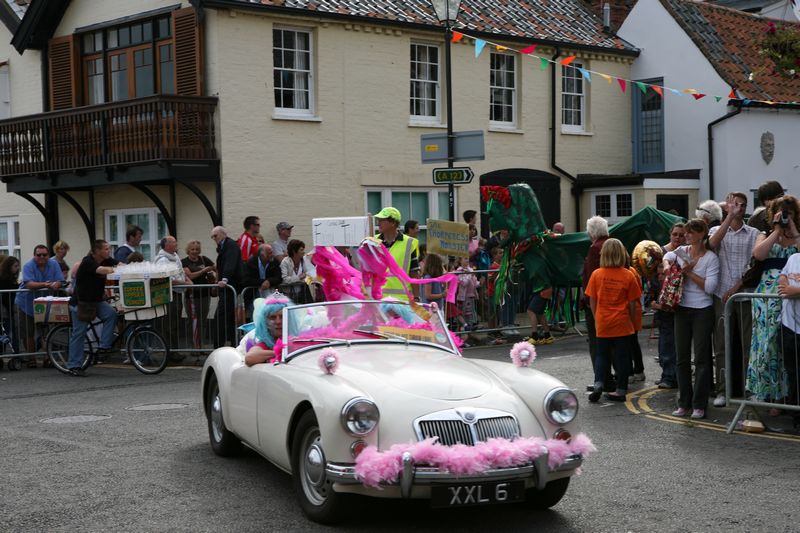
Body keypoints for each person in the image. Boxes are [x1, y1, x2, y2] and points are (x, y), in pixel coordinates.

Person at [664, 218, 719, 419]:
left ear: (702, 234)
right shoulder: (682, 252)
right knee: (682, 358)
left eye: (693, 232)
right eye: (687, 232)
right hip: (682, 309)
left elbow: (710, 287)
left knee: (702, 359)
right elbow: (668, 254)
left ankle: (699, 404)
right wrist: (667, 263)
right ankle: (684, 403)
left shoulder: (711, 258)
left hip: (703, 309)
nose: (688, 235)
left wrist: (689, 273)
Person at [707, 192, 759, 406]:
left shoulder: (754, 233)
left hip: (745, 294)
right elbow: (711, 246)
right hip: (722, 295)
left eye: (743, 204)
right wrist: (728, 217)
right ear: (727, 206)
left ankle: (749, 390)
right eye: (735, 204)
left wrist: (737, 287)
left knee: (748, 344)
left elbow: (754, 264)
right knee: (722, 344)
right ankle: (723, 390)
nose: (740, 207)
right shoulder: (716, 229)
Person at [747, 195, 800, 403]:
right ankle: (768, 392)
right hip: (768, 295)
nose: (786, 216)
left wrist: (793, 229)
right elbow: (759, 254)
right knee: (767, 343)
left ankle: (788, 394)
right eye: (783, 212)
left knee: (786, 346)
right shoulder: (765, 234)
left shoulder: (797, 235)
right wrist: (777, 230)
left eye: (790, 213)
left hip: (793, 294)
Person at [585, 238, 642, 403]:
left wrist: (597, 318)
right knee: (622, 357)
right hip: (622, 323)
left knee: (602, 356)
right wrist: (631, 321)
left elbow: (592, 300)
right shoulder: (628, 275)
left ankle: (598, 383)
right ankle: (621, 389)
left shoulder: (596, 274)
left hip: (603, 321)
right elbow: (632, 303)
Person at [67, 240, 118, 377]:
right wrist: (116, 270)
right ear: (97, 251)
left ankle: (104, 346)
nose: (109, 251)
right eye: (106, 249)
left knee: (111, 314)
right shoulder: (88, 262)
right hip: (81, 303)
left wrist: (133, 267)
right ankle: (74, 365)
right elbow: (101, 270)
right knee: (79, 333)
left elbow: (120, 263)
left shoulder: (106, 259)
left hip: (96, 301)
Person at [15, 245, 64, 366]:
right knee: (28, 333)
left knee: (46, 332)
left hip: (45, 302)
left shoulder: (54, 264)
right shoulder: (28, 265)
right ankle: (31, 359)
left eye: (44, 255)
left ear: (48, 255)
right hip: (26, 303)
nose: (42, 257)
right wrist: (46, 285)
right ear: (34, 255)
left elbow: (60, 281)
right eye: (39, 255)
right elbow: (29, 284)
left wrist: (57, 284)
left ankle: (48, 358)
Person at [582, 215, 613, 392]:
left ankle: (601, 379)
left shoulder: (595, 248)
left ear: (592, 232)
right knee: (614, 345)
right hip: (613, 302)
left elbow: (593, 278)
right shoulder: (614, 244)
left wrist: (588, 301)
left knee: (596, 344)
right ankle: (612, 377)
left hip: (598, 302)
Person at [375, 207, 420, 302]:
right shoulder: (373, 241)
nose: (378, 223)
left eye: (382, 220)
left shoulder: (409, 243)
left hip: (402, 302)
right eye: (378, 220)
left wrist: (416, 298)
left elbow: (414, 273)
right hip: (379, 301)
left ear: (393, 223)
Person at [777, 252, 800, 429]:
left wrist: (796, 291)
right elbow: (783, 275)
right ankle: (796, 417)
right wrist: (784, 284)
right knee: (793, 373)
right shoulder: (794, 257)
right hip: (789, 325)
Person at [211, 226, 244, 346]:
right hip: (229, 286)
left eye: (216, 235)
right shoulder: (224, 246)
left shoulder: (230, 245)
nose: (214, 238)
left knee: (222, 316)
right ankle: (232, 344)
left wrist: (224, 279)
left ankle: (220, 345)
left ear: (223, 234)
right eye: (212, 236)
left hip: (230, 286)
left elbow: (230, 263)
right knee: (227, 317)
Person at [182, 240, 216, 349]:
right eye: (192, 249)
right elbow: (190, 276)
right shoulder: (184, 261)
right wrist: (203, 271)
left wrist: (216, 279)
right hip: (191, 296)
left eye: (197, 249)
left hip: (205, 295)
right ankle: (193, 347)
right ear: (188, 250)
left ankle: (201, 345)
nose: (195, 251)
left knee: (203, 321)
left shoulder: (204, 259)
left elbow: (216, 267)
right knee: (193, 321)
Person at [244, 295, 293, 366]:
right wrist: (280, 352)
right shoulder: (265, 345)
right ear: (265, 323)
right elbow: (249, 358)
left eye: (282, 316)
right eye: (273, 317)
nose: (278, 321)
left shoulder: (296, 339)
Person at [0, 256, 21, 354]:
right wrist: (10, 311)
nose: (18, 268)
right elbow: (5, 298)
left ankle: (15, 353)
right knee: (6, 333)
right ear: (9, 267)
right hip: (5, 311)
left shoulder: (12, 279)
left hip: (9, 310)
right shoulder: (4, 279)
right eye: (15, 266)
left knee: (9, 333)